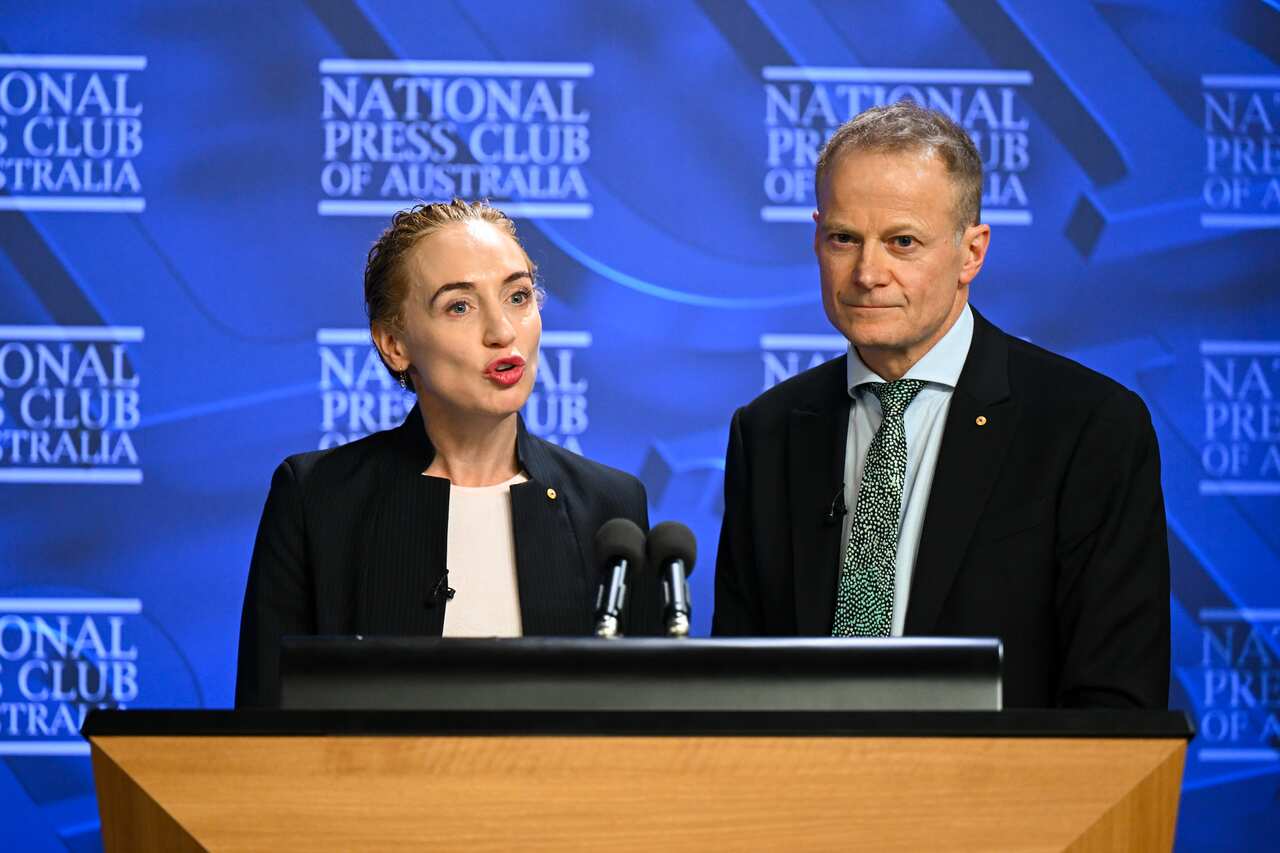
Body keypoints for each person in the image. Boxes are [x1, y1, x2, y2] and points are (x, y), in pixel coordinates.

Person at [712, 101, 1170, 708]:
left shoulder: (1089, 429)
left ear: (971, 252)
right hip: (809, 798)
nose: (867, 272)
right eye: (843, 239)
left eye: (902, 242)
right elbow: (739, 692)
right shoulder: (768, 433)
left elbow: (1114, 704)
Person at [236, 199, 658, 708]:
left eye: (518, 296)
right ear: (394, 344)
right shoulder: (318, 501)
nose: (502, 332)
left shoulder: (610, 507)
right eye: (460, 306)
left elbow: (643, 733)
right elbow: (263, 730)